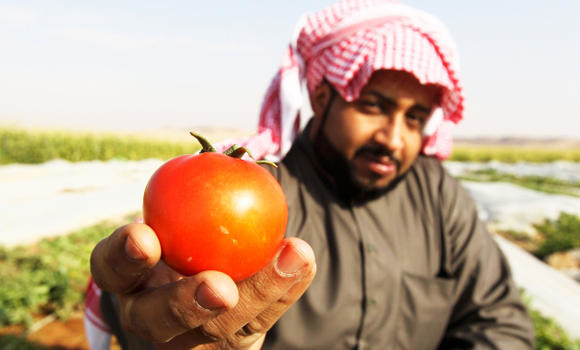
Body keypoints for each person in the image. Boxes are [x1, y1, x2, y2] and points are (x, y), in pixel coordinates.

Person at [86, 0, 536, 349]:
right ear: (322, 98)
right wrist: (161, 329)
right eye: (373, 105)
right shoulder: (252, 196)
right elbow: (157, 307)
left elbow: (499, 321)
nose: (394, 138)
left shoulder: (440, 198)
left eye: (416, 118)